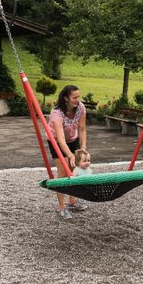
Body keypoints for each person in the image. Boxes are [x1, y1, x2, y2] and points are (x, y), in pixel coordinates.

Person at [48, 84, 89, 219]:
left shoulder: (81, 108)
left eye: (78, 97)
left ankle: (72, 201)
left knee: (74, 170)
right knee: (63, 171)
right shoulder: (57, 113)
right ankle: (61, 206)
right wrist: (70, 155)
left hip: (72, 139)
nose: (78, 100)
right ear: (66, 98)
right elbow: (60, 140)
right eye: (74, 98)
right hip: (56, 141)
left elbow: (82, 129)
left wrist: (83, 148)